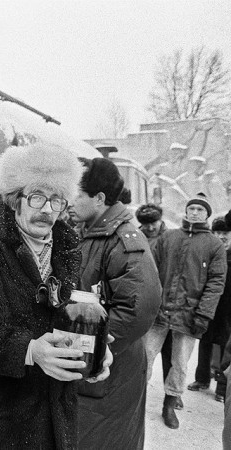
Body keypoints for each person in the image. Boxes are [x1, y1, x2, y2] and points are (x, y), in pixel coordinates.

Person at [0, 143, 113, 449]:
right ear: (15, 200)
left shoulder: (68, 253)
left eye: (56, 200)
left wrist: (93, 349)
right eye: (37, 197)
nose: (47, 209)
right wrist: (28, 349)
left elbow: (70, 316)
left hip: (51, 414)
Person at [67, 157, 161, 449]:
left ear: (99, 198)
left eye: (75, 193)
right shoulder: (91, 234)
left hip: (109, 363)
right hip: (91, 359)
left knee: (100, 437)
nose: (68, 201)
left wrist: (95, 349)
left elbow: (139, 307)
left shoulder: (122, 240)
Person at [145, 192, 227, 429]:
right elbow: (151, 270)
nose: (194, 213)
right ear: (185, 211)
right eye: (191, 208)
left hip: (190, 315)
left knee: (180, 363)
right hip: (159, 312)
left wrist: (204, 313)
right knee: (145, 356)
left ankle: (169, 404)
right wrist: (150, 303)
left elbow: (216, 282)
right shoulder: (168, 237)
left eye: (200, 210)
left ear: (207, 215)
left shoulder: (213, 245)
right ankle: (136, 399)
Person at [187, 214, 231, 402]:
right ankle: (202, 379)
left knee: (225, 346)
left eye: (226, 233)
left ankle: (221, 388)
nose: (222, 236)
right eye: (218, 232)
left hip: (229, 307)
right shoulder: (212, 252)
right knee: (204, 340)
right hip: (211, 304)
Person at [136, 203, 178, 402]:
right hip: (147, 300)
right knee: (147, 351)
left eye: (153, 223)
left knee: (172, 353)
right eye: (145, 224)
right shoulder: (138, 236)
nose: (150, 227)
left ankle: (171, 395)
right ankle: (140, 391)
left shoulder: (171, 238)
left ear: (160, 220)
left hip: (171, 301)